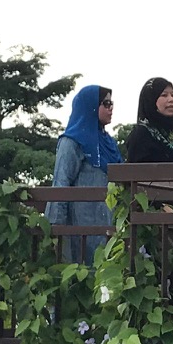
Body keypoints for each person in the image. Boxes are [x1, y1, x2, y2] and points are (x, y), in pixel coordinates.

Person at [47, 85, 119, 265]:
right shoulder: (71, 142)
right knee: (80, 273)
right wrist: (56, 230)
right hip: (79, 227)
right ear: (91, 106)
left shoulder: (109, 143)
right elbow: (61, 183)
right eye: (106, 104)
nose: (111, 108)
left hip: (107, 224)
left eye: (112, 104)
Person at [122, 78, 173, 166]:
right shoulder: (142, 134)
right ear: (151, 100)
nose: (171, 99)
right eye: (164, 95)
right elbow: (137, 171)